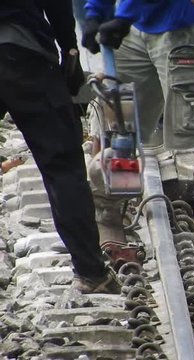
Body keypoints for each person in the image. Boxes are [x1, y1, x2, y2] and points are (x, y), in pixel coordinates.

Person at [81, 0, 194, 263]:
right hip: (132, 27)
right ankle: (107, 220)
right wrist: (94, 13)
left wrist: (123, 15)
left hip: (179, 22)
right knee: (118, 122)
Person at [0, 0, 121, 294]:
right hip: (21, 54)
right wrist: (69, 50)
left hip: (19, 49)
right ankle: (91, 272)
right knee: (63, 166)